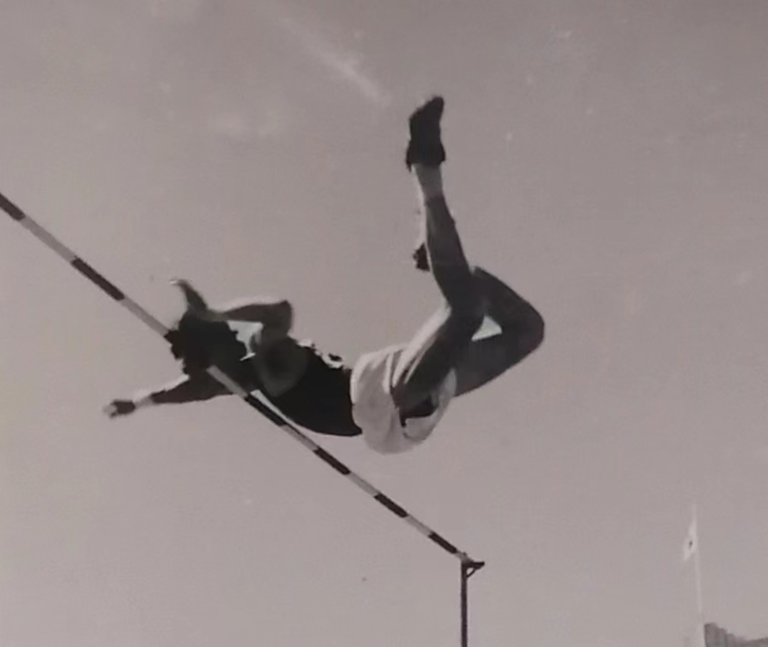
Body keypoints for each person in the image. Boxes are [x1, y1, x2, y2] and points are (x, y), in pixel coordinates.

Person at [103, 98, 543, 456]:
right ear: (211, 348)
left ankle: (428, 191)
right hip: (387, 403)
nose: (236, 334)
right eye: (221, 334)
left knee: (496, 319)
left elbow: (221, 365)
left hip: (390, 394)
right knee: (500, 321)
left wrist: (147, 394)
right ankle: (429, 201)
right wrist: (146, 397)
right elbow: (204, 378)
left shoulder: (253, 365)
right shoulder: (251, 365)